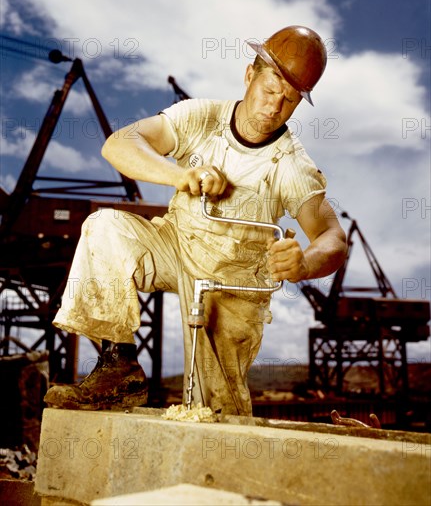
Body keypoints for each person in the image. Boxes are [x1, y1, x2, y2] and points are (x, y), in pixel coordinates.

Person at [44, 26, 347, 416]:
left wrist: (305, 263)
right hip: (176, 246)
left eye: (288, 101)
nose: (274, 108)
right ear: (249, 74)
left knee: (215, 413)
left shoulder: (291, 165)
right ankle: (119, 369)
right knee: (105, 228)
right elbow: (118, 143)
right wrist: (178, 175)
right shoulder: (200, 117)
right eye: (270, 91)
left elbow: (333, 237)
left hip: (232, 285)